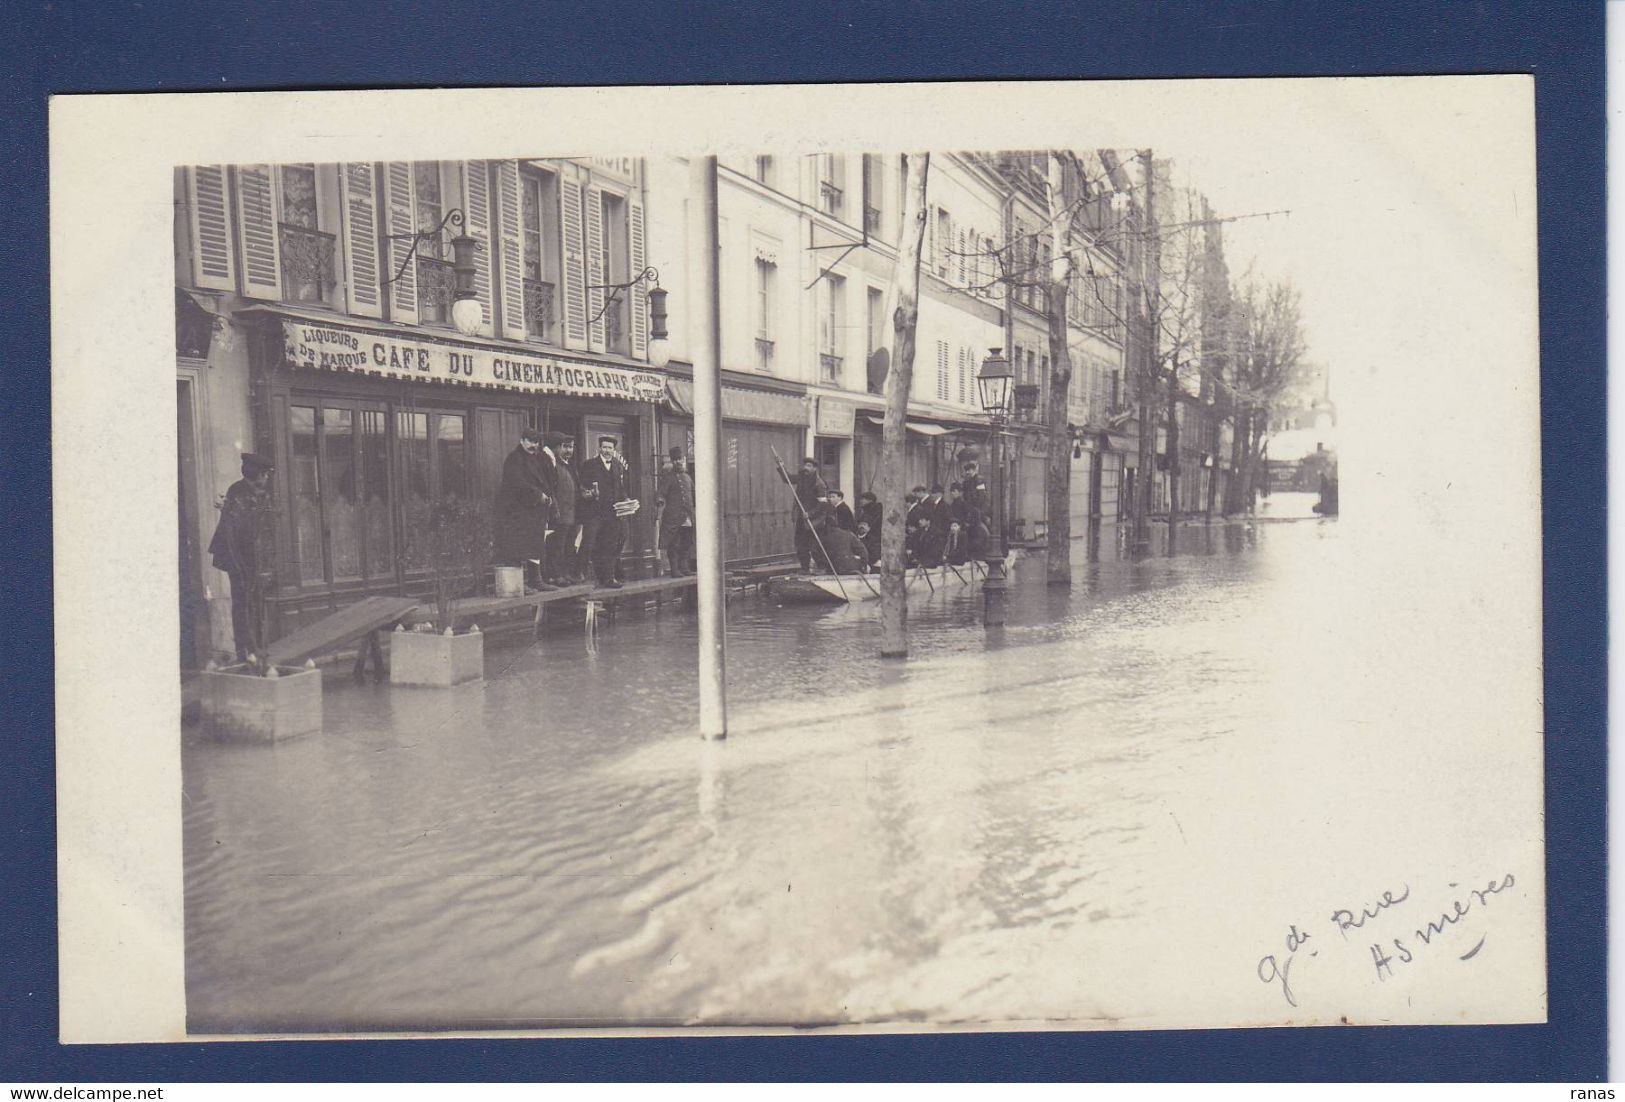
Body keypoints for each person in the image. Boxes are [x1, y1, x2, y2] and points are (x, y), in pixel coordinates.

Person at [208, 452, 275, 662]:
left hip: (252, 555)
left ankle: (254, 648)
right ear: (256, 474)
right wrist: (240, 565)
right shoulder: (237, 492)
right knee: (242, 602)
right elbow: (231, 533)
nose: (266, 479)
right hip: (234, 556)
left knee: (254, 600)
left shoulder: (260, 493)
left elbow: (264, 527)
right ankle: (245, 651)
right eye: (264, 475)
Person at [493, 428, 555, 590]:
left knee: (535, 545)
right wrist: (537, 495)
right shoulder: (515, 458)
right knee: (516, 547)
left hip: (534, 511)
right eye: (530, 441)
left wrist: (548, 497)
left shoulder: (539, 459)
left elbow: (547, 480)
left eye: (536, 442)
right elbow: (516, 482)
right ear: (522, 441)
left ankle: (536, 579)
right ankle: (517, 583)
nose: (533, 445)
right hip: (516, 510)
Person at [577, 436, 635, 588]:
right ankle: (579, 576)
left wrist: (627, 500)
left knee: (609, 545)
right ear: (599, 449)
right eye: (604, 447)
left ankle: (608, 578)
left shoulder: (617, 465)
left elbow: (620, 488)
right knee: (589, 543)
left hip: (612, 513)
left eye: (610, 448)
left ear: (614, 450)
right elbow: (581, 487)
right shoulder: (589, 465)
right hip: (594, 513)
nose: (607, 450)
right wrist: (589, 494)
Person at [546, 437, 582, 584]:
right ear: (559, 448)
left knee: (569, 546)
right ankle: (556, 575)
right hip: (560, 513)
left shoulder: (570, 467)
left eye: (571, 447)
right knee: (557, 546)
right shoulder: (554, 466)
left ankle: (566, 573)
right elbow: (551, 489)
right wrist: (555, 509)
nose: (569, 451)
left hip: (572, 514)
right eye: (565, 447)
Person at [783, 457, 829, 572]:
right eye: (805, 465)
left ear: (814, 468)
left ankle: (822, 568)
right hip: (801, 518)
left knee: (815, 545)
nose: (805, 468)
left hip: (815, 520)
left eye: (809, 466)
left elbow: (823, 505)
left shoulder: (820, 484)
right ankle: (805, 568)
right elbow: (787, 479)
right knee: (801, 545)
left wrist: (810, 513)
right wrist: (781, 466)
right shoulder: (802, 478)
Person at [657, 447, 696, 576]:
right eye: (676, 460)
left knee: (686, 542)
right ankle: (674, 569)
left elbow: (694, 495)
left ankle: (684, 568)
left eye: (681, 459)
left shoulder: (688, 478)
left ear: (684, 460)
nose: (679, 462)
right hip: (673, 516)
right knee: (674, 543)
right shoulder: (668, 477)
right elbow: (661, 493)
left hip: (687, 516)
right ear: (672, 462)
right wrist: (660, 500)